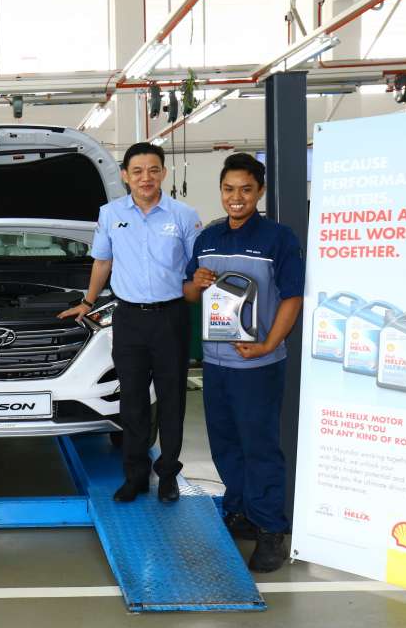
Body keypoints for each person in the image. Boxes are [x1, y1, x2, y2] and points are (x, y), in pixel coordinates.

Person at [59, 142, 201, 504]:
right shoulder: (110, 214)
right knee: (132, 401)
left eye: (153, 170)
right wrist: (87, 302)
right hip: (128, 320)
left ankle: (168, 475)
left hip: (170, 318)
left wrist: (197, 292)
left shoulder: (183, 216)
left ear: (163, 173)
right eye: (137, 171)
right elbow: (102, 263)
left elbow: (195, 270)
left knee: (171, 401)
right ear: (125, 175)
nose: (145, 178)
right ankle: (135, 476)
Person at [183, 152, 304, 573]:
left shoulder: (278, 239)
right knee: (225, 443)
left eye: (246, 190)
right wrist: (194, 285)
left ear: (260, 192)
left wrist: (270, 344)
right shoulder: (208, 238)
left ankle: (272, 529)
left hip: (257, 365)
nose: (237, 198)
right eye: (229, 189)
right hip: (217, 364)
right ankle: (240, 511)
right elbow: (189, 293)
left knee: (260, 447)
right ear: (221, 190)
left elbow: (292, 296)